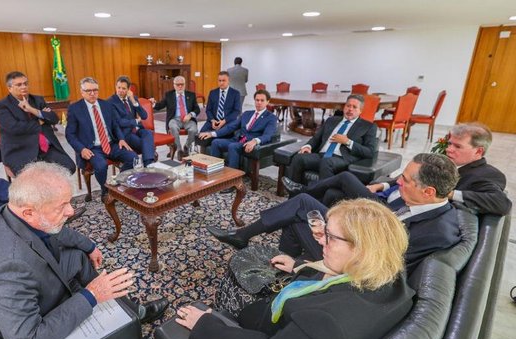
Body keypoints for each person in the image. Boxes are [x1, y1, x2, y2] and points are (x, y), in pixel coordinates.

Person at [176, 199, 414, 339]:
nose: (320, 241)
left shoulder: (329, 325)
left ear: (361, 251)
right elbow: (335, 284)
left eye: (329, 237)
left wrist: (208, 325)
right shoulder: (392, 277)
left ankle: (222, 312)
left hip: (266, 329)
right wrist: (300, 266)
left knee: (236, 275)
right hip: (295, 314)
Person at [0, 162, 169, 339]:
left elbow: (55, 229)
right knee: (88, 290)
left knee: (76, 256)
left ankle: (128, 310)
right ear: (29, 213)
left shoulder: (15, 214)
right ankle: (104, 307)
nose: (71, 212)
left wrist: (89, 246)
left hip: (32, 278)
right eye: (62, 206)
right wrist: (91, 295)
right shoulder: (6, 269)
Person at [208, 153, 461, 275]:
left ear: (428, 191)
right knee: (300, 212)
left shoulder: (436, 232)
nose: (398, 184)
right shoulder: (417, 204)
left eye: (404, 180)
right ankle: (278, 258)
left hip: (350, 256)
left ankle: (282, 259)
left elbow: (382, 268)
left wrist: (336, 237)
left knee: (300, 208)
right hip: (354, 233)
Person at [296, 123, 512, 216]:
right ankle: (312, 222)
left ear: (478, 152)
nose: (449, 149)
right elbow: (408, 175)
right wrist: (383, 183)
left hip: (393, 210)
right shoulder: (445, 161)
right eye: (450, 143)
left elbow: (502, 203)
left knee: (345, 177)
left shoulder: (487, 175)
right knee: (333, 193)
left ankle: (300, 194)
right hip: (389, 195)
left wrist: (445, 192)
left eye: (457, 146)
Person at [282, 94, 377, 190]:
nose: (350, 109)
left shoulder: (368, 127)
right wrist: (308, 146)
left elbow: (370, 152)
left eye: (354, 107)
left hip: (341, 159)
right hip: (321, 155)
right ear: (344, 107)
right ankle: (294, 193)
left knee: (327, 162)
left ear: (360, 111)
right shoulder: (331, 120)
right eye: (348, 106)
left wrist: (348, 142)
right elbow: (316, 138)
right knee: (299, 158)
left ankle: (319, 198)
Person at [65, 77, 136, 200]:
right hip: (92, 148)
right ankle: (105, 191)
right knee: (101, 166)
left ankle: (118, 185)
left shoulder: (106, 105)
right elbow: (70, 134)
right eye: (88, 91)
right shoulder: (75, 109)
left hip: (111, 144)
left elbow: (114, 125)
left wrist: (121, 139)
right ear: (82, 92)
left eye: (95, 90)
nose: (92, 93)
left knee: (132, 157)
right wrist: (81, 149)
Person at [0, 71, 76, 175]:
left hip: (47, 148)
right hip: (20, 150)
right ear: (9, 88)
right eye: (19, 85)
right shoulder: (2, 105)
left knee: (69, 168)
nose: (24, 87)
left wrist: (31, 109)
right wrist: (40, 120)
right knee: (35, 178)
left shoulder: (37, 100)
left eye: (25, 83)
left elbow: (54, 119)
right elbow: (14, 128)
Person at [199, 89, 277, 170]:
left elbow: (268, 135)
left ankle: (232, 176)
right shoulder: (247, 113)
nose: (259, 102)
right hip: (237, 140)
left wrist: (255, 141)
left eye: (262, 100)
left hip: (248, 143)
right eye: (257, 100)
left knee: (233, 146)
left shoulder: (271, 118)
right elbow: (231, 127)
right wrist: (212, 134)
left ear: (267, 102)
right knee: (216, 142)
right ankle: (214, 170)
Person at [107, 76, 155, 166]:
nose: (120, 90)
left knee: (148, 133)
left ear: (129, 89)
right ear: (115, 87)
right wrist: (136, 121)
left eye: (123, 88)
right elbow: (119, 122)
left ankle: (148, 165)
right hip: (126, 133)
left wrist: (133, 100)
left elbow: (144, 116)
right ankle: (149, 164)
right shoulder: (111, 102)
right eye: (118, 87)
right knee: (147, 145)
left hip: (137, 129)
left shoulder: (133, 98)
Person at [150, 76, 200, 160]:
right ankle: (179, 150)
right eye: (178, 84)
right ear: (174, 85)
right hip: (175, 119)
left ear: (185, 85)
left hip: (188, 119)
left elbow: (197, 109)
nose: (180, 86)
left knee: (194, 130)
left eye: (182, 84)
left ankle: (187, 147)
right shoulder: (169, 95)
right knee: (172, 127)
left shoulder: (191, 95)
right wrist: (154, 103)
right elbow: (160, 105)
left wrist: (190, 115)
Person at [198, 71, 242, 143]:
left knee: (220, 137)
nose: (221, 83)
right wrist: (212, 120)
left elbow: (237, 111)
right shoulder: (213, 92)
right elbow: (208, 109)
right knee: (201, 134)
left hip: (227, 121)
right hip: (213, 121)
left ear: (228, 81)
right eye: (219, 80)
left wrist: (224, 121)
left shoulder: (235, 93)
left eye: (224, 80)